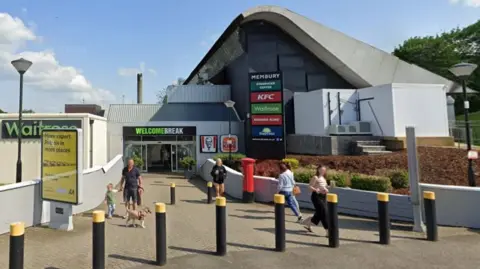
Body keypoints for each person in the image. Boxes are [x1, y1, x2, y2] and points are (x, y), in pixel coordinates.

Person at [302, 165, 329, 235]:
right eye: (321, 170)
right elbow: (309, 186)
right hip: (316, 196)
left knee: (320, 213)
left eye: (324, 170)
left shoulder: (324, 178)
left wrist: (326, 189)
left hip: (323, 196)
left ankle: (307, 223)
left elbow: (323, 187)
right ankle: (328, 231)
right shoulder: (315, 177)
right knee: (324, 212)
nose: (323, 171)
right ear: (318, 170)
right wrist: (315, 189)